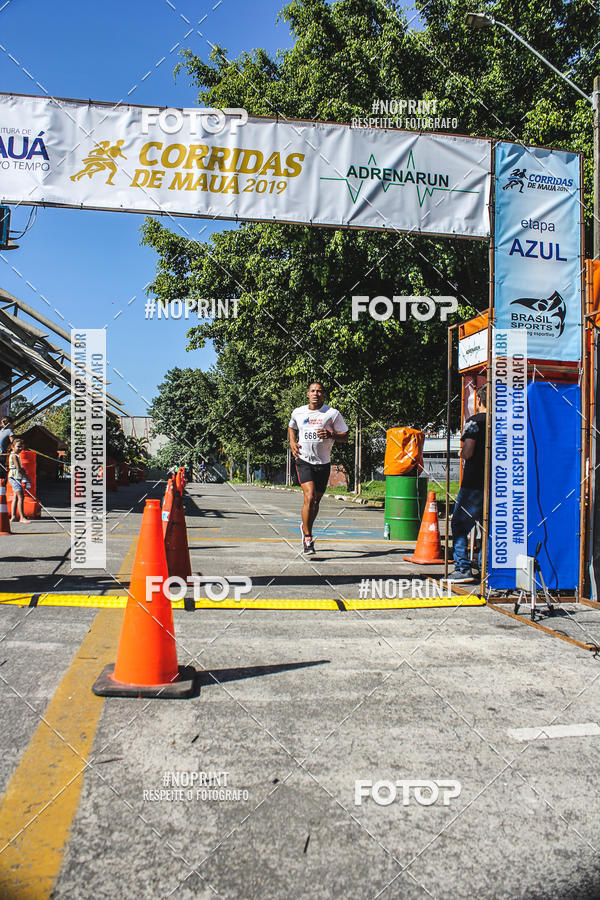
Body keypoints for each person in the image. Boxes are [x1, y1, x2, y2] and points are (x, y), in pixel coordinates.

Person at [288, 381, 348, 554]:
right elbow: (291, 426)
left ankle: (305, 525)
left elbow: (345, 436)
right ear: (308, 394)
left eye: (319, 391)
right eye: (313, 391)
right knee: (309, 496)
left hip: (323, 462)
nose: (316, 393)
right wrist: (292, 442)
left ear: (324, 394)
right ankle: (308, 538)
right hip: (303, 459)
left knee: (315, 502)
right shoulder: (298, 412)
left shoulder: (332, 414)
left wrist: (331, 434)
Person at [447, 383, 487, 583]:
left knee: (460, 524)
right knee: (489, 526)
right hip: (497, 484)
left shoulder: (474, 422)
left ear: (478, 400)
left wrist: (461, 452)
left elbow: (469, 451)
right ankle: (487, 569)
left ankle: (462, 568)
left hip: (474, 484)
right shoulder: (505, 423)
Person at [8, 438, 30, 522]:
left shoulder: (16, 455)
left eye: (21, 447)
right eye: (18, 446)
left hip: (16, 477)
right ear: (13, 447)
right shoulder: (14, 455)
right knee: (21, 497)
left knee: (15, 497)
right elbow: (18, 468)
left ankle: (13, 517)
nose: (20, 448)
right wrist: (26, 477)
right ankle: (22, 517)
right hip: (15, 477)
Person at [0, 416, 14, 482]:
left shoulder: (5, 431)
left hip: (2, 454)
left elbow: (12, 442)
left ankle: (1, 489)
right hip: (1, 455)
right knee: (2, 474)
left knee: (1, 473)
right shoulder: (5, 431)